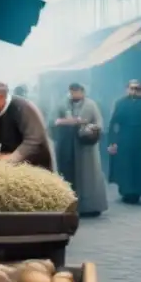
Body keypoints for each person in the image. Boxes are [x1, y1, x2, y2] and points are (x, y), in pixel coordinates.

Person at [0, 80, 54, 170]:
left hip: (35, 166)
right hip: (11, 167)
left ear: (1, 96)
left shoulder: (23, 108)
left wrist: (13, 158)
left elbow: (34, 140)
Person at [52, 83, 108, 217]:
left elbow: (99, 123)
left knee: (89, 176)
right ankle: (69, 205)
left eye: (77, 92)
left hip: (86, 147)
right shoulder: (62, 104)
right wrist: (63, 122)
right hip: (67, 145)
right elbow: (53, 121)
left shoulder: (91, 105)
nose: (74, 95)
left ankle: (91, 207)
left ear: (82, 92)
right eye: (72, 92)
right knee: (68, 176)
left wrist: (89, 128)